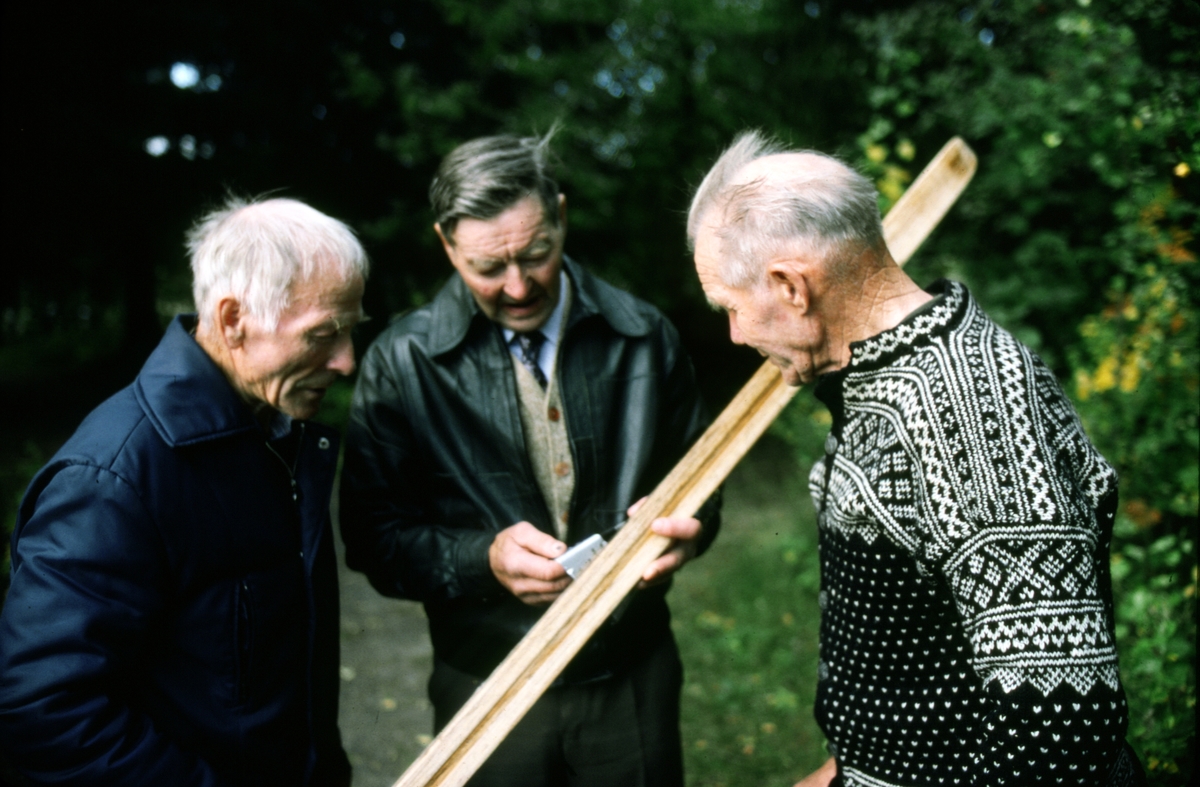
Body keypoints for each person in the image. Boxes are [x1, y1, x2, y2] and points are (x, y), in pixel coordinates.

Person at [686, 132, 1144, 787]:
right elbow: (920, 648)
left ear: (791, 286)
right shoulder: (883, 378)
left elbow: (1059, 730)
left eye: (730, 307)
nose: (735, 335)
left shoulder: (967, 403)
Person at [340, 132, 719, 787]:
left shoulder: (644, 335)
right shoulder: (401, 363)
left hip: (628, 676)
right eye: (489, 267)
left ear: (561, 216)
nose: (518, 286)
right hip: (486, 688)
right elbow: (373, 538)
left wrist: (687, 532)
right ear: (446, 245)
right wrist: (480, 559)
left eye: (536, 253)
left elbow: (703, 487)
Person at [0, 197, 369, 786]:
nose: (347, 360)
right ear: (231, 321)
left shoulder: (274, 431)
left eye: (350, 331)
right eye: (323, 334)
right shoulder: (112, 478)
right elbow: (45, 710)